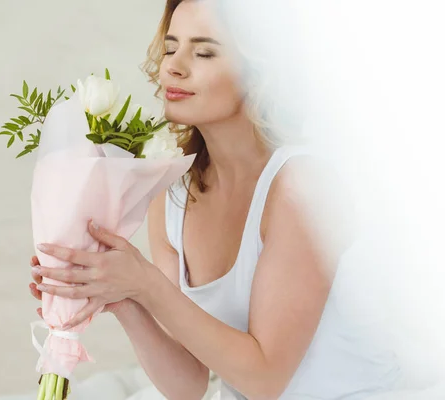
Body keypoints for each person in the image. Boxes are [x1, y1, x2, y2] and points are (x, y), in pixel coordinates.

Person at [28, 0, 402, 398]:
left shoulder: (300, 187)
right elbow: (188, 385)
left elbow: (264, 380)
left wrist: (147, 283)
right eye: (171, 48)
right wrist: (123, 295)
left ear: (260, 73)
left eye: (204, 52)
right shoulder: (172, 195)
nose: (174, 65)